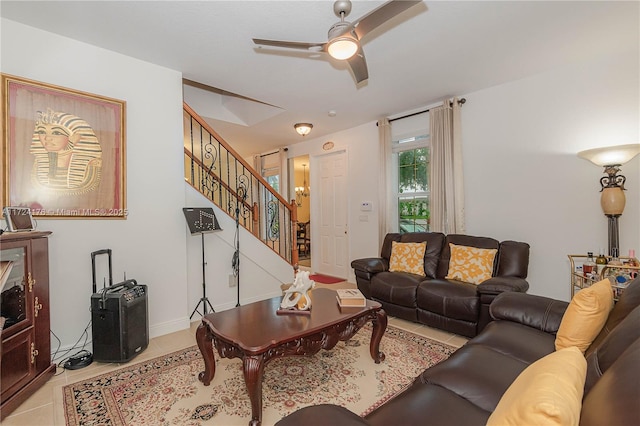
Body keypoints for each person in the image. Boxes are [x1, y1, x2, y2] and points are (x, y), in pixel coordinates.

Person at [29, 108, 102, 194]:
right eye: (42, 131)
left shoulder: (92, 164)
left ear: (75, 136)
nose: (47, 138)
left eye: (56, 133)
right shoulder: (38, 162)